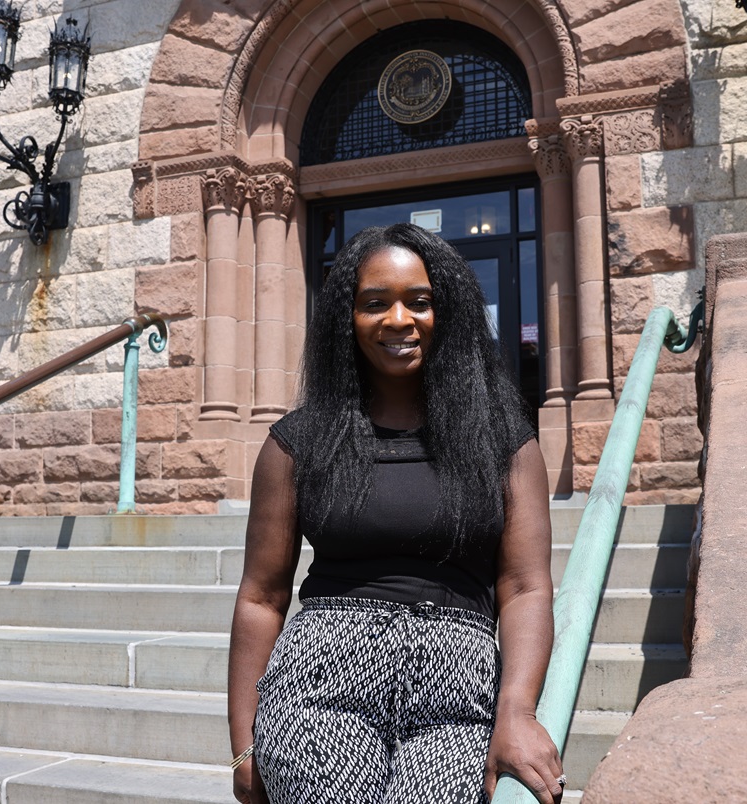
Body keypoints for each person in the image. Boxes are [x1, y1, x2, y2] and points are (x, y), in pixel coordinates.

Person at [227, 222, 563, 803]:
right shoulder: (297, 442)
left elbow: (526, 586)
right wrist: (242, 745)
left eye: (420, 301)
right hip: (321, 678)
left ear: (448, 312)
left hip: (458, 687)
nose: (399, 320)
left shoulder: (504, 439)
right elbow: (261, 596)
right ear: (347, 319)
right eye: (374, 303)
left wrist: (517, 711)